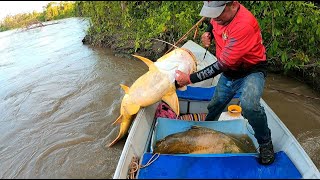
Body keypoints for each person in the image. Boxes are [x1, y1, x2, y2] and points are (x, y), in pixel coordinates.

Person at [175, 1, 275, 165]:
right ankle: (204, 131)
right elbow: (213, 22)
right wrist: (209, 33)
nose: (215, 17)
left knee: (249, 105)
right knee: (215, 105)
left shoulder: (244, 25)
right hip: (230, 71)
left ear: (233, 5)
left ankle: (265, 144)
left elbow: (221, 65)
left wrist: (189, 79)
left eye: (218, 13)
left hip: (251, 70)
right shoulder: (221, 15)